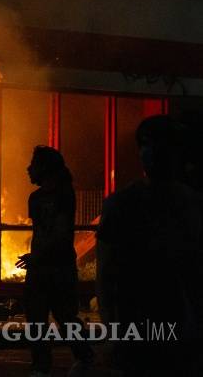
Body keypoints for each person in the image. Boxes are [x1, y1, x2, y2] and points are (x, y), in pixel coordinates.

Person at [96, 115, 202, 376]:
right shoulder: (121, 205)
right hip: (144, 331)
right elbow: (107, 276)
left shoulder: (193, 206)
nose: (152, 152)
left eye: (161, 145)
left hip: (176, 331)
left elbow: (106, 275)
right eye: (146, 144)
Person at [15, 146, 93, 377]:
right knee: (36, 318)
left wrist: (37, 256)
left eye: (34, 164)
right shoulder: (36, 197)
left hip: (58, 267)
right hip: (40, 268)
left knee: (64, 315)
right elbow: (41, 232)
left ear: (46, 168)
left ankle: (84, 356)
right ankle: (41, 366)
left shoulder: (63, 195)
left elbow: (59, 233)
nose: (29, 169)